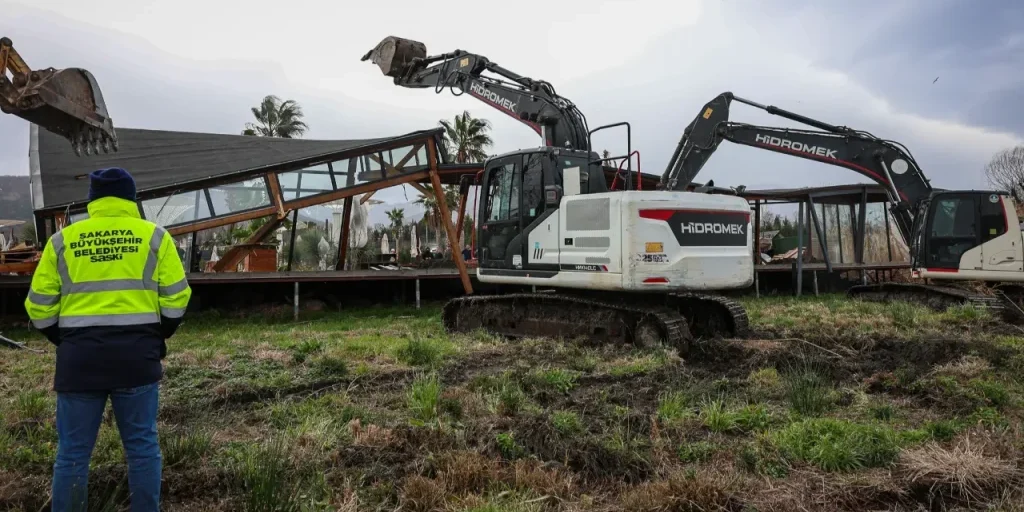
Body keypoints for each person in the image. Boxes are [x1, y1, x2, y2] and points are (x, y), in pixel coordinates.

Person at [24, 167, 192, 512]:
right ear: (132, 198)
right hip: (137, 360)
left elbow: (38, 309)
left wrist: (67, 340)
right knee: (142, 447)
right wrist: (156, 337)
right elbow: (177, 299)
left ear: (92, 200)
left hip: (79, 361)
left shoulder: (62, 241)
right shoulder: (155, 237)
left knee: (72, 453)